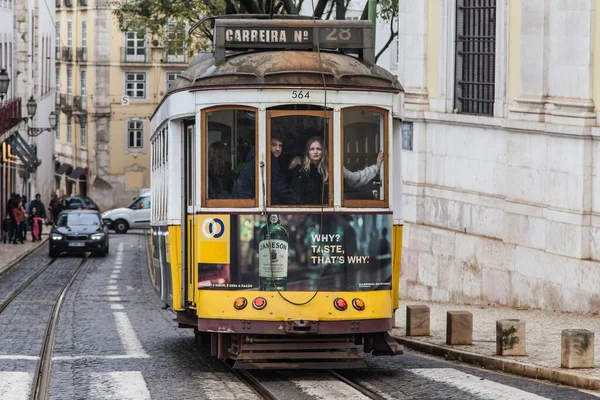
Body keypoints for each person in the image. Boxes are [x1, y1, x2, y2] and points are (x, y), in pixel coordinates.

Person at [230, 133, 300, 205]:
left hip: (240, 202)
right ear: (266, 145)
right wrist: (298, 204)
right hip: (245, 204)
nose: (277, 149)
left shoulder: (258, 157)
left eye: (280, 145)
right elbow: (280, 186)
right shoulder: (268, 159)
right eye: (273, 145)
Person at [289, 136, 329, 205]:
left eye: (319, 149)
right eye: (312, 149)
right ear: (308, 152)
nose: (315, 152)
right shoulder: (300, 171)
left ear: (323, 151)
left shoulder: (328, 169)